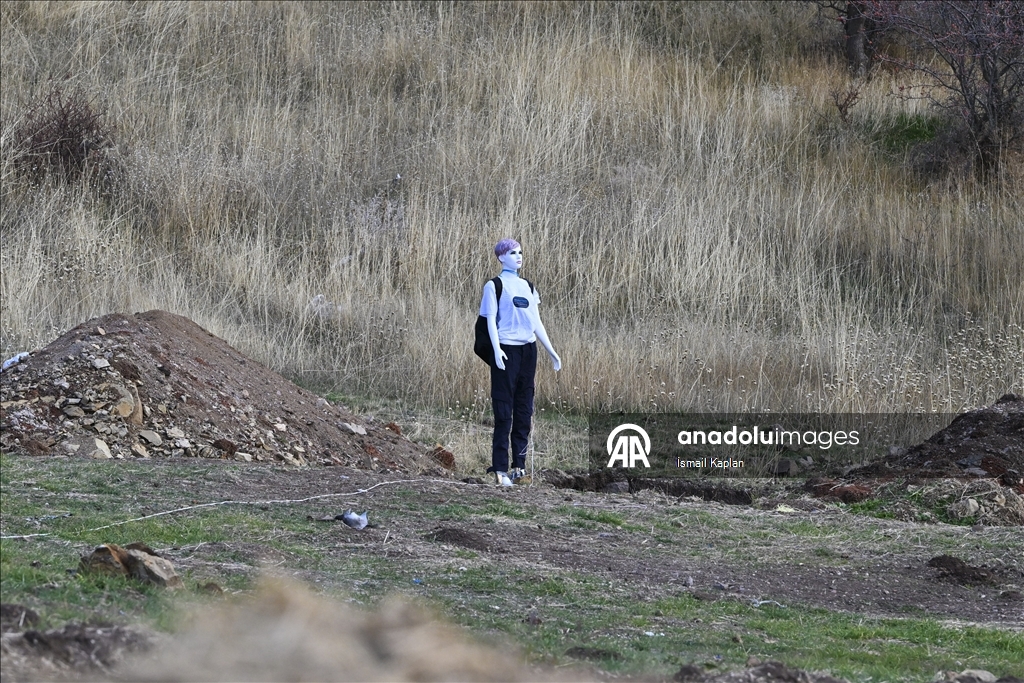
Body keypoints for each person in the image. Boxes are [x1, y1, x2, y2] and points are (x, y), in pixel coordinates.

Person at [480, 239, 561, 487]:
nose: (518, 256)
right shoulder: (494, 286)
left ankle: (520, 466)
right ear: (501, 257)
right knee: (504, 411)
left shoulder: (528, 286)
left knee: (524, 409)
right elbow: (490, 321)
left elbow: (536, 322)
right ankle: (500, 469)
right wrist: (496, 350)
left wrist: (551, 351)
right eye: (512, 253)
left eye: (520, 252)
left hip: (528, 350)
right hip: (506, 349)